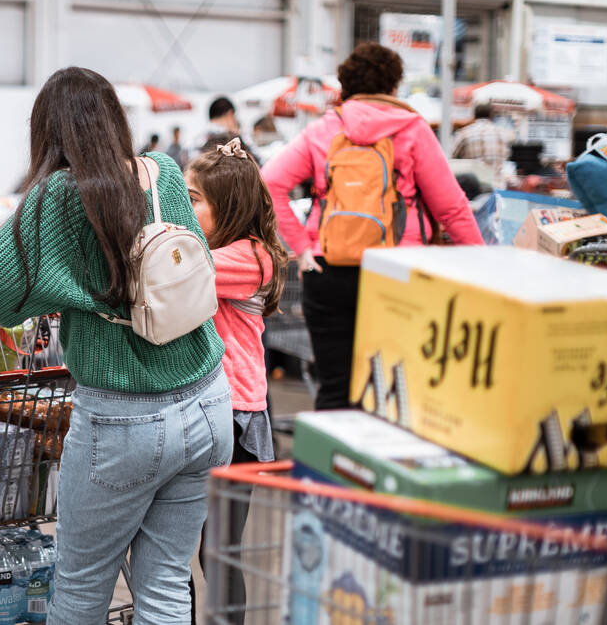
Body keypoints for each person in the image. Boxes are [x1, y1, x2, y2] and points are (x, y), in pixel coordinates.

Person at [0, 67, 233, 624]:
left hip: (121, 423)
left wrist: (70, 292)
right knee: (167, 585)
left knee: (82, 590)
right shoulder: (164, 174)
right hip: (209, 402)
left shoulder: (57, 196)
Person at [261, 43, 484, 410]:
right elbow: (452, 208)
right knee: (397, 390)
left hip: (328, 269)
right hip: (400, 273)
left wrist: (302, 247)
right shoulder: (413, 129)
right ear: (394, 85)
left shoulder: (324, 129)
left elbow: (271, 182)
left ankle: (329, 464)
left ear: (346, 85)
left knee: (335, 387)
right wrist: (484, 265)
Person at [184, 138, 287, 624]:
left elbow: (173, 268)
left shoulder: (246, 258)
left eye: (193, 199)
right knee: (182, 543)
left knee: (217, 550)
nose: (182, 207)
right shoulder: (224, 248)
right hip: (209, 408)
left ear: (227, 208)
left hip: (237, 417)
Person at [452, 104, 516, 176]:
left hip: (473, 184)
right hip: (497, 184)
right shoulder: (504, 134)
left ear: (474, 115)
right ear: (491, 116)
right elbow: (506, 157)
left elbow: (452, 158)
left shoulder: (463, 133)